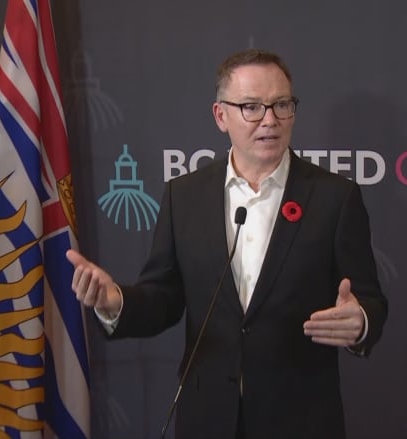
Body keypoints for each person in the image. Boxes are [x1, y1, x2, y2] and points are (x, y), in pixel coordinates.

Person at [66, 48, 388, 439]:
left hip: (301, 418)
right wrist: (115, 302)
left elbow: (369, 300)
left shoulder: (335, 197)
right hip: (208, 419)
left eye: (281, 105)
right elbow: (164, 298)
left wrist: (361, 323)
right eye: (251, 106)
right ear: (221, 116)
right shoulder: (183, 196)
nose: (270, 120)